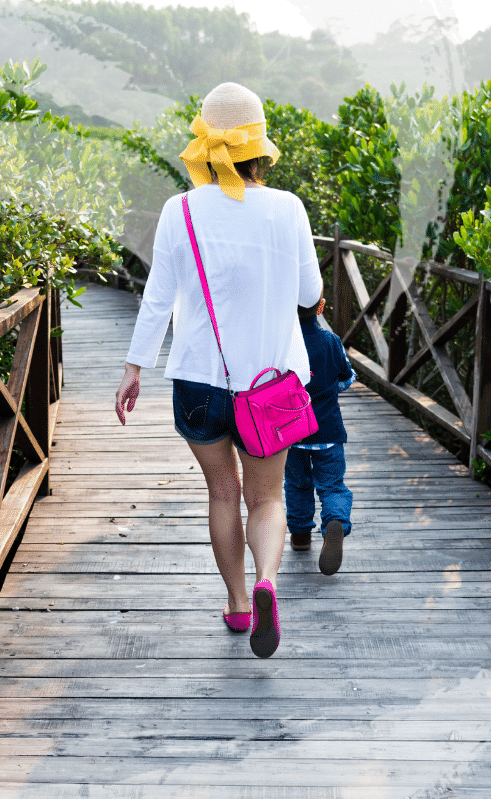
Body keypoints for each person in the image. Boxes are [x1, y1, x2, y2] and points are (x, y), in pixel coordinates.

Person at [114, 82, 322, 659]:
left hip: (199, 385)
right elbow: (311, 292)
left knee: (222, 493)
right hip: (270, 387)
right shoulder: (288, 209)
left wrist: (134, 367)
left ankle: (235, 603)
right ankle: (266, 583)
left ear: (205, 145)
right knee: (268, 498)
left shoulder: (179, 209)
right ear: (260, 149)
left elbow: (158, 297)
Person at [285, 297, 354, 575]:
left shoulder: (283, 344)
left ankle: (301, 535)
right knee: (333, 486)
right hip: (327, 430)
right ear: (322, 306)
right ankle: (335, 520)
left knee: (297, 483)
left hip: (291, 431)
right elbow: (346, 378)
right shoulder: (330, 341)